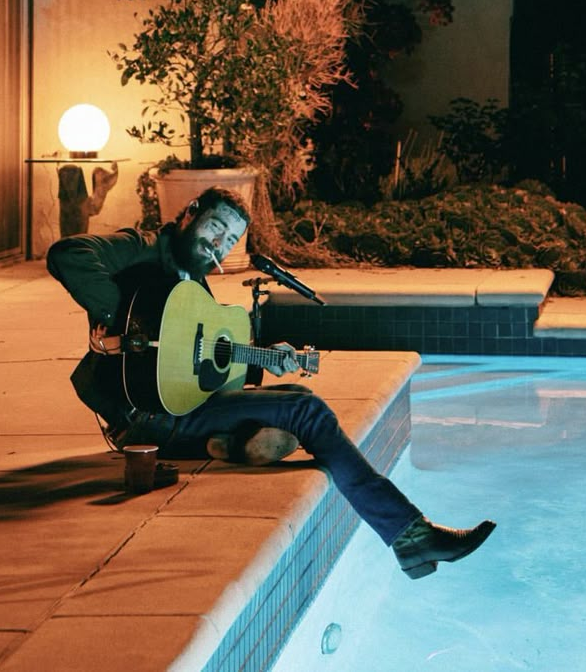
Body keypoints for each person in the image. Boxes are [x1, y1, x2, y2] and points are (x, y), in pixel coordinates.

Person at [47, 186, 495, 580]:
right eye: (214, 228)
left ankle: (230, 442)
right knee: (306, 411)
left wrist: (259, 362)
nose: (218, 244)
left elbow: (201, 375)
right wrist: (127, 323)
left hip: (179, 405)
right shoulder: (142, 249)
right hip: (143, 419)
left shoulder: (195, 285)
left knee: (297, 396)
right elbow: (67, 254)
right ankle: (409, 535)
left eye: (228, 240)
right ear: (190, 212)